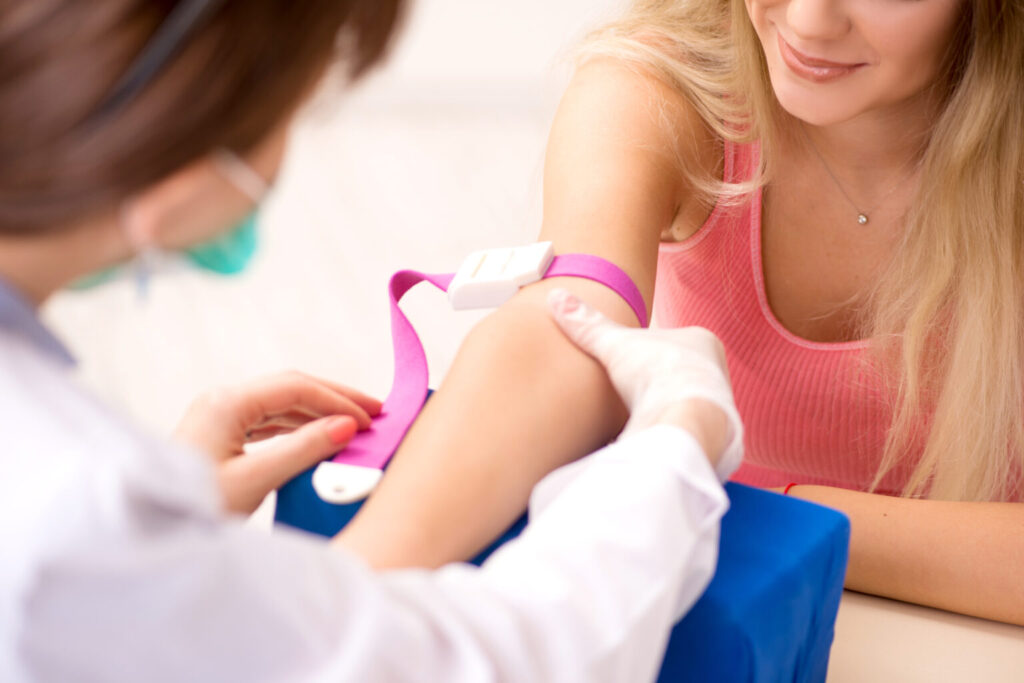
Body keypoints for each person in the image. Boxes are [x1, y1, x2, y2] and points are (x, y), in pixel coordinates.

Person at [0, 1, 744, 681]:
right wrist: (674, 451)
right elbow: (481, 657)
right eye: (292, 115)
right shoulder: (83, 515)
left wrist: (178, 547)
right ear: (183, 183)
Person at [336, 0, 1024, 625]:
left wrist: (769, 507)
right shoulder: (665, 86)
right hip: (746, 586)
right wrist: (343, 599)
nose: (811, 21)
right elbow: (568, 332)